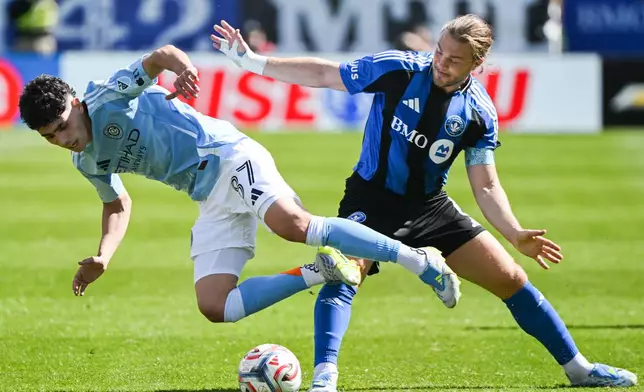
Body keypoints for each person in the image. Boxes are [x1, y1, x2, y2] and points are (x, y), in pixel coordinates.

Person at [211, 15, 638, 390]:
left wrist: (514, 233)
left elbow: (486, 184)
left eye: (454, 60)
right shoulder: (398, 69)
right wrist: (252, 62)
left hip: (430, 207)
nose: (441, 63)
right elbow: (326, 75)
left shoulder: (478, 115)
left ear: (477, 64)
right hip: (370, 200)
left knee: (510, 277)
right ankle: (325, 380)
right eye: (439, 52)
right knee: (343, 273)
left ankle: (579, 369)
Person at [17, 44, 460, 327]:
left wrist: (183, 69)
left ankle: (418, 260)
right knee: (215, 306)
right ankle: (320, 270)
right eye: (50, 137)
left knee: (292, 224)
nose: (62, 139)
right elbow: (117, 204)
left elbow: (159, 56)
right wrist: (104, 255)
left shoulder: (106, 96)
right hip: (207, 193)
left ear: (75, 103)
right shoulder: (85, 161)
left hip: (227, 155)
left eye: (61, 126)